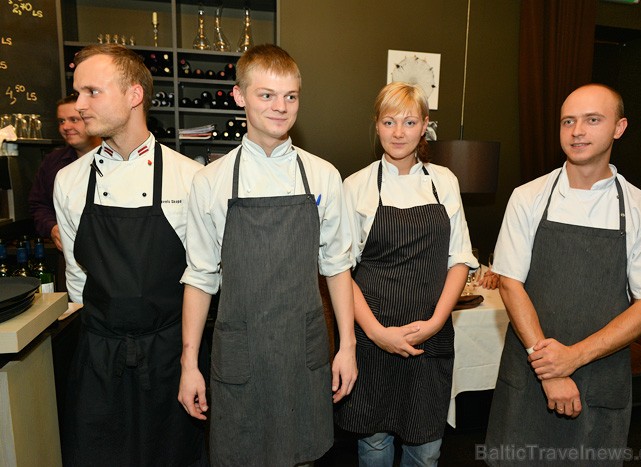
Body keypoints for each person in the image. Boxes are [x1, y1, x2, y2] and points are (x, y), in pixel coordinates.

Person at [177, 44, 358, 466]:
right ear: (239, 96)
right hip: (242, 354)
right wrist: (189, 364)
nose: (281, 107)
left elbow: (337, 266)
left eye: (290, 96)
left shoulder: (323, 175)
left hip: (304, 353)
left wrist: (347, 346)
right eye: (267, 95)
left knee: (305, 457)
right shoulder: (210, 181)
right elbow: (200, 277)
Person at [484, 84, 641, 466]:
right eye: (568, 121)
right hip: (531, 373)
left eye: (592, 120)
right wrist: (550, 369)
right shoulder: (528, 196)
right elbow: (510, 283)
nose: (577, 131)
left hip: (601, 376)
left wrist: (573, 358)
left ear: (619, 128)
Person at [53, 44, 206, 466]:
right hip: (99, 356)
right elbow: (78, 278)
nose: (79, 105)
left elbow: (204, 275)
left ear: (134, 95)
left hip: (171, 356)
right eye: (77, 92)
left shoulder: (191, 178)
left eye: (91, 92)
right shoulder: (68, 181)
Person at [334, 82, 480, 466]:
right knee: (375, 445)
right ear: (377, 125)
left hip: (429, 340)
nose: (399, 132)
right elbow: (341, 271)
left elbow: (459, 260)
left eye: (410, 121)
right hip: (372, 337)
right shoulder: (356, 186)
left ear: (425, 126)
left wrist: (434, 322)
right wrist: (378, 333)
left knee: (426, 449)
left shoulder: (445, 182)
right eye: (389, 121)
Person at [28, 94, 100, 250]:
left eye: (74, 120)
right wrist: (52, 228)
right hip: (67, 255)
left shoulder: (117, 159)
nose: (66, 127)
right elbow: (38, 206)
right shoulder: (53, 162)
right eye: (61, 121)